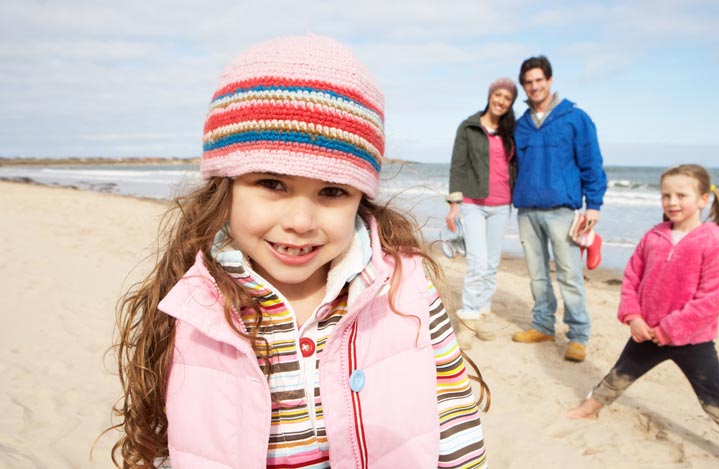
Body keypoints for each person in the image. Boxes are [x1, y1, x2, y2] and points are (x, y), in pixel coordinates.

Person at [107, 35, 488, 469]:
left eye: (331, 191)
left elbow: (456, 423)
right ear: (225, 186)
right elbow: (170, 445)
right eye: (272, 184)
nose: (301, 221)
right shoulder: (194, 302)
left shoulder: (405, 289)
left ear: (359, 199)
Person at [567, 164, 719, 469]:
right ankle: (588, 408)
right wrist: (633, 316)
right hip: (645, 333)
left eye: (681, 195)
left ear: (703, 200)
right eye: (665, 195)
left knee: (717, 400)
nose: (672, 202)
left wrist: (670, 329)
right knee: (618, 377)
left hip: (693, 341)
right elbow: (632, 277)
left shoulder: (714, 241)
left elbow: (713, 298)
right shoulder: (654, 236)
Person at [510, 55, 607, 362]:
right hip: (526, 210)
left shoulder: (575, 118)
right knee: (537, 275)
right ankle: (543, 325)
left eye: (539, 80)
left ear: (550, 81)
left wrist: (594, 205)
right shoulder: (521, 125)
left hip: (562, 211)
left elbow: (592, 162)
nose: (534, 86)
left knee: (569, 275)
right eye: (528, 82)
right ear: (523, 86)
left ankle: (578, 336)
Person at [445, 77, 518, 350]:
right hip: (474, 203)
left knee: (490, 265)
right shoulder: (469, 126)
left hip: (502, 205)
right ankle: (468, 322)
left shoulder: (511, 132)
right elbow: (458, 165)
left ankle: (481, 315)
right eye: (498, 95)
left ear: (510, 103)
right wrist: (454, 204)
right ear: (490, 96)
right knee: (477, 262)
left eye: (507, 98)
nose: (501, 101)